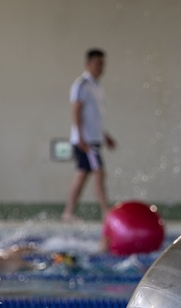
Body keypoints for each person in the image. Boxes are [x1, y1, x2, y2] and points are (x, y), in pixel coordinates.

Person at [62, 48, 117, 222]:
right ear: (88, 65)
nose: (100, 67)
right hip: (86, 141)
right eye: (97, 63)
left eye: (102, 63)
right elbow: (76, 111)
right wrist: (80, 137)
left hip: (94, 138)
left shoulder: (97, 86)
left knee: (81, 175)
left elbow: (94, 116)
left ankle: (68, 212)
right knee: (99, 173)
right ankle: (105, 211)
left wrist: (105, 135)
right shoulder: (82, 85)